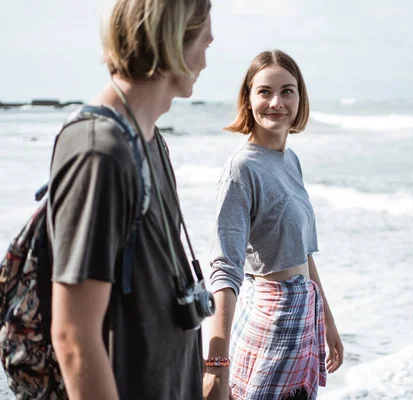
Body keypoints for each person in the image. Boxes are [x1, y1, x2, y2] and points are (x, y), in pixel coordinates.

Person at [48, 0, 213, 399]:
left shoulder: (150, 138)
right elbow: (73, 335)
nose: (207, 57)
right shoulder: (98, 152)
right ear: (175, 39)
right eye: (204, 42)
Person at [203, 50, 344, 400]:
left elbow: (304, 253)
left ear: (300, 97)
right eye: (265, 91)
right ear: (248, 98)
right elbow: (225, 266)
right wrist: (216, 365)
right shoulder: (241, 169)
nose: (276, 102)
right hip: (270, 323)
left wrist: (328, 323)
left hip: (304, 321)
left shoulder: (290, 160)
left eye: (287, 91)